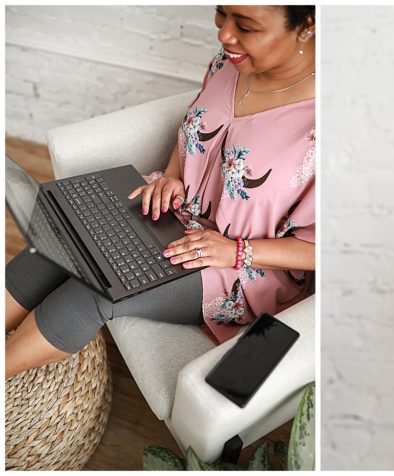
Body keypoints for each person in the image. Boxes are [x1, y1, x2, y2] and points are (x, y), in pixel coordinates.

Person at [6, 6, 316, 378]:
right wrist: (173, 175)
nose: (224, 35)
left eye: (246, 26)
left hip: (238, 265)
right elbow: (197, 127)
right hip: (172, 209)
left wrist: (234, 250)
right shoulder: (230, 61)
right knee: (59, 240)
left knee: (95, 291)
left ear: (306, 27)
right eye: (222, 15)